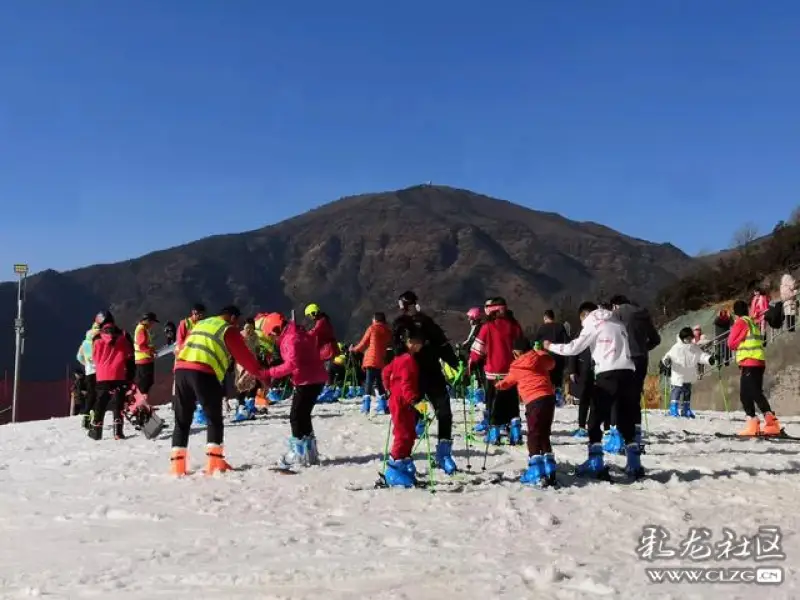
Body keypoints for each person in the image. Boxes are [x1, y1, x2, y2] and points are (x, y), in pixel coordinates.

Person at [544, 302, 642, 479]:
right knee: (626, 418)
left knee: (595, 419)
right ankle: (634, 463)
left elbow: (574, 348)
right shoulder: (617, 321)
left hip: (607, 373)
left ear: (584, 315)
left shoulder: (592, 322)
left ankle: (595, 462)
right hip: (628, 373)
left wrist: (550, 346)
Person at [171, 305, 270, 476]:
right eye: (237, 321)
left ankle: (177, 466)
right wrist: (263, 378)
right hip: (203, 372)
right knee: (214, 418)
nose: (238, 325)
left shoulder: (200, 324)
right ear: (232, 317)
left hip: (181, 370)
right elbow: (244, 357)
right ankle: (215, 462)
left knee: (182, 420)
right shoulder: (227, 329)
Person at [392, 290, 460, 475]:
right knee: (411, 417)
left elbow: (443, 345)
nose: (410, 309)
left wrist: (455, 363)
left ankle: (444, 454)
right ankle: (404, 458)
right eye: (407, 305)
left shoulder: (427, 322)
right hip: (412, 377)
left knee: (444, 412)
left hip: (433, 374)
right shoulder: (399, 325)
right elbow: (394, 352)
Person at [264, 313, 329, 469]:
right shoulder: (299, 333)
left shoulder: (290, 339)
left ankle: (298, 454)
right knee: (304, 415)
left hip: (306, 380)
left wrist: (269, 372)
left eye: (272, 334)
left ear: (277, 328)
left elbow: (291, 365)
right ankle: (310, 453)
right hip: (317, 378)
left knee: (295, 416)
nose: (272, 337)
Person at [495, 337, 557, 486]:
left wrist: (497, 385)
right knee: (543, 432)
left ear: (517, 352)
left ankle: (535, 470)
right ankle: (550, 468)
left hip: (534, 401)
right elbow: (552, 363)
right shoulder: (540, 358)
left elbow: (507, 382)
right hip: (549, 398)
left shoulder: (516, 366)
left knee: (533, 434)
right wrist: (540, 351)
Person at [468, 297, 524, 445]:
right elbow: (522, 345)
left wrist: (472, 362)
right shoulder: (514, 325)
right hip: (512, 371)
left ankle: (494, 432)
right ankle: (516, 431)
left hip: (494, 372)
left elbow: (477, 350)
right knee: (512, 402)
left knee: (493, 402)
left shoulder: (488, 327)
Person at [609, 295, 661, 453]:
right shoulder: (643, 314)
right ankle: (636, 437)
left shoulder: (617, 314)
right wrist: (643, 348)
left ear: (615, 305)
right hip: (641, 360)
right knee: (634, 398)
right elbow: (656, 339)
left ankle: (617, 438)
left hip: (623, 359)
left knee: (618, 397)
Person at [727, 300, 782, 437]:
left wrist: (739, 338)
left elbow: (731, 344)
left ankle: (770, 423)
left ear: (735, 312)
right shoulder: (751, 322)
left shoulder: (740, 323)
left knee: (752, 393)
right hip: (758, 361)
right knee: (748, 394)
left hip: (749, 361)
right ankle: (757, 423)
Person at [381, 329, 425, 488]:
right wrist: (415, 400)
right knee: (402, 433)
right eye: (419, 342)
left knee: (409, 432)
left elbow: (386, 372)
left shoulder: (399, 358)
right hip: (402, 402)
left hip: (400, 401)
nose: (421, 345)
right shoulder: (407, 360)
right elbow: (406, 384)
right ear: (411, 343)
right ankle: (393, 471)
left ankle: (404, 463)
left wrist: (388, 388)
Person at [89, 311, 134, 441]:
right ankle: (118, 432)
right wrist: (130, 375)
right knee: (118, 403)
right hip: (119, 374)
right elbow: (130, 356)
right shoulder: (124, 335)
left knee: (101, 404)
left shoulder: (96, 338)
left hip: (102, 375)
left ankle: (96, 432)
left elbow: (94, 357)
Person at [662, 327, 715, 418]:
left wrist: (708, 359)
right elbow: (668, 356)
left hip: (689, 374)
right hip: (678, 374)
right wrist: (667, 360)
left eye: (691, 338)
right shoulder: (676, 347)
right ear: (682, 338)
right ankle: (673, 409)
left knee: (687, 392)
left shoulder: (694, 347)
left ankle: (685, 409)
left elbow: (701, 355)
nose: (689, 340)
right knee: (677, 391)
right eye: (687, 338)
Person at [351, 312, 393, 415]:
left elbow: (363, 343)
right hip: (381, 360)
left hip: (371, 359)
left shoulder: (372, 328)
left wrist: (354, 349)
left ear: (375, 320)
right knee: (379, 383)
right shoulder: (388, 331)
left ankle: (366, 406)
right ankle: (383, 406)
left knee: (368, 382)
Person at [534, 310, 570, 393]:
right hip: (559, 358)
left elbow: (536, 344)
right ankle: (558, 398)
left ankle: (547, 396)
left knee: (547, 380)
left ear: (545, 318)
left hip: (545, 359)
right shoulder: (560, 327)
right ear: (553, 317)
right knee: (558, 380)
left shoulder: (542, 328)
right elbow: (567, 341)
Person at [305, 303, 339, 386]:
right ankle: (328, 386)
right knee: (326, 369)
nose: (310, 318)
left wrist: (303, 335)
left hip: (327, 349)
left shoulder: (321, 321)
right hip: (327, 348)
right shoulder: (323, 320)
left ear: (313, 313)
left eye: (309, 315)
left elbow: (314, 332)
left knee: (327, 370)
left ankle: (328, 388)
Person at [76, 322, 100, 429]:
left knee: (90, 396)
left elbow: (79, 357)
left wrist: (86, 364)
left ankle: (86, 418)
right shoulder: (99, 340)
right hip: (100, 372)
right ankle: (95, 418)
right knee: (99, 396)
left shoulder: (85, 343)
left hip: (89, 372)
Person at [566, 345, 594, 437]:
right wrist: (572, 370)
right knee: (584, 400)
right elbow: (574, 349)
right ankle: (582, 427)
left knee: (596, 402)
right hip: (584, 371)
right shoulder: (583, 334)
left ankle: (592, 426)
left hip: (600, 371)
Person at [133, 312, 159, 400]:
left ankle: (143, 403)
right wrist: (151, 352)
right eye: (152, 322)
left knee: (146, 383)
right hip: (143, 360)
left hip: (144, 359)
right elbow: (142, 346)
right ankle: (142, 403)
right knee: (145, 384)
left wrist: (151, 349)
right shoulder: (142, 329)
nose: (153, 324)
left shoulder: (142, 328)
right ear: (148, 321)